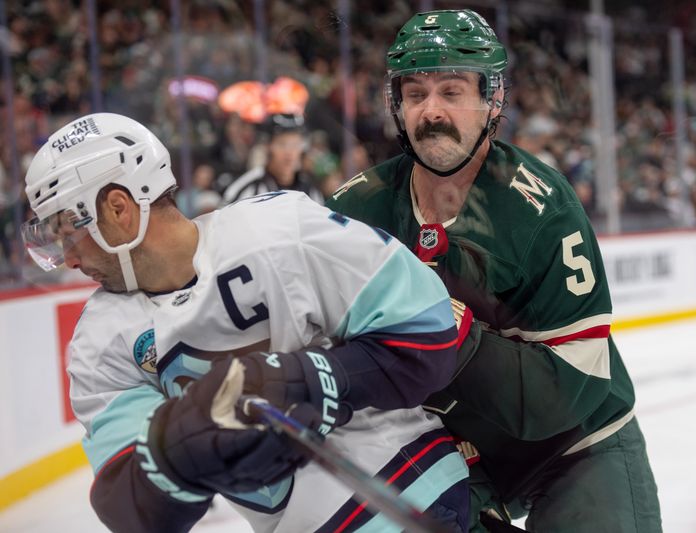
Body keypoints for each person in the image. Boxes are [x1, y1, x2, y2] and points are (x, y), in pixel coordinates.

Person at [21, 112, 473, 532]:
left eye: (69, 234)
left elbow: (427, 333)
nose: (71, 260)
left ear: (118, 209)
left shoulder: (282, 229)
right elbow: (129, 508)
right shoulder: (98, 345)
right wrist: (176, 452)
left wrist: (309, 378)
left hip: (413, 493)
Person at [326, 9, 662, 533]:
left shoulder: (542, 211)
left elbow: (569, 389)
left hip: (577, 445)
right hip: (452, 457)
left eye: (452, 91)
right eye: (415, 94)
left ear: (492, 99)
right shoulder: (355, 211)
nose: (431, 111)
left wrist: (444, 331)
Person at [222, 113, 324, 205]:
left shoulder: (311, 191)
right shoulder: (247, 188)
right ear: (267, 146)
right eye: (282, 144)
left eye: (295, 144)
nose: (289, 153)